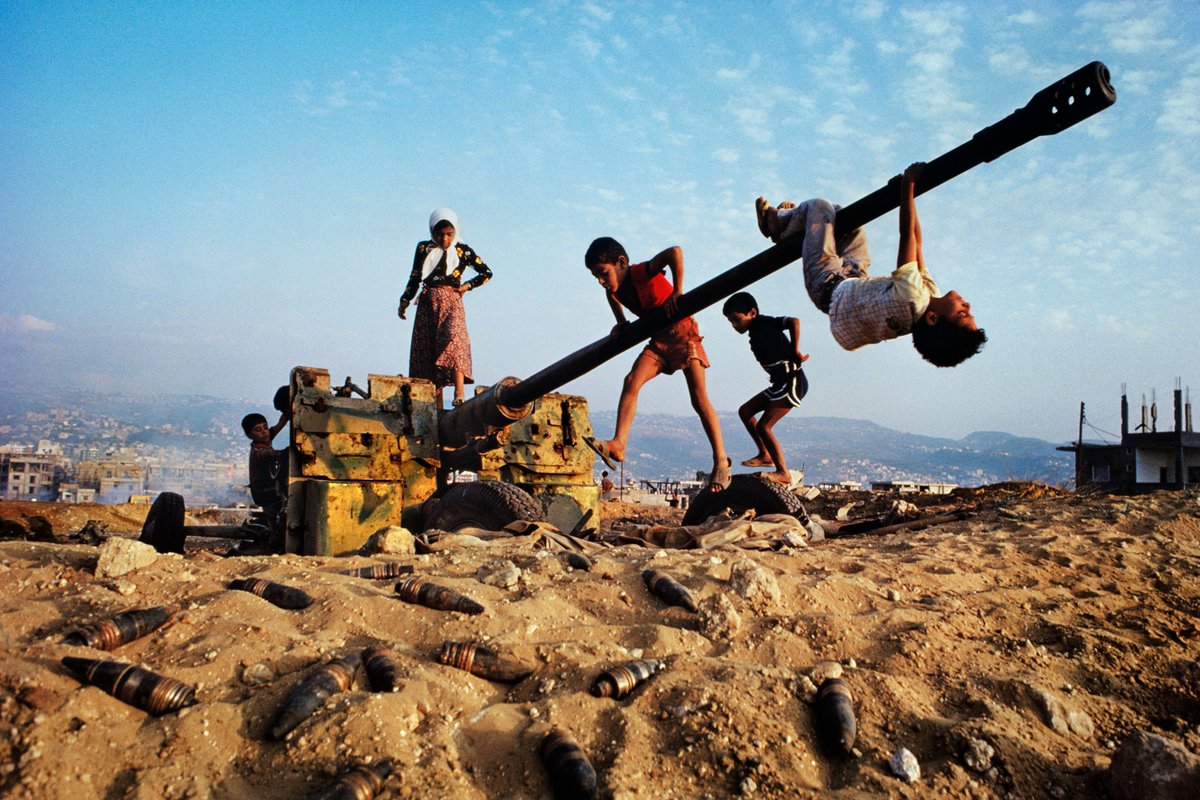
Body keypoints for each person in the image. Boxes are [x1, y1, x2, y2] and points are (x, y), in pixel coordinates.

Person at [754, 162, 987, 367]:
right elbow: (918, 243)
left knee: (820, 207)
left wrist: (908, 185)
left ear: (933, 318)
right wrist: (906, 194)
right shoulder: (929, 295)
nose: (967, 305)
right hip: (854, 278)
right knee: (846, 220)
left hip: (825, 283)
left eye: (962, 313)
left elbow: (908, 235)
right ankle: (791, 225)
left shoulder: (913, 296)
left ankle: (776, 222)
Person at [582, 237, 731, 492]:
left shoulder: (641, 272)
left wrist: (677, 291)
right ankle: (619, 444)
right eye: (596, 276)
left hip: (684, 336)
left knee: (699, 399)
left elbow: (675, 252)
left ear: (622, 263)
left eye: (603, 273)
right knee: (631, 381)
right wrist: (621, 322)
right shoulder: (614, 289)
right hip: (659, 341)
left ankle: (721, 460)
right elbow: (612, 295)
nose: (601, 281)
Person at [398, 208, 493, 407]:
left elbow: (486, 272)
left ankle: (459, 393)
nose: (445, 239)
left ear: (455, 231)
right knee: (430, 350)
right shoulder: (424, 248)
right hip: (428, 302)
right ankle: (437, 404)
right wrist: (405, 300)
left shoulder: (462, 250)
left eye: (449, 234)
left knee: (455, 341)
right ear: (432, 231)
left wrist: (467, 286)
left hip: (452, 301)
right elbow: (415, 276)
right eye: (440, 234)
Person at [722, 291, 808, 485]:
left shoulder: (764, 323)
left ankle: (783, 473)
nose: (735, 326)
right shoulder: (754, 332)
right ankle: (765, 454)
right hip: (778, 384)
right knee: (745, 411)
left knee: (764, 426)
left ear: (752, 313)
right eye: (731, 322)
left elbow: (794, 321)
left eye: (737, 320)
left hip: (791, 381)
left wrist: (794, 349)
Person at [240, 407, 289, 549]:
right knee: (275, 523)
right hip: (265, 493)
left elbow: (279, 425)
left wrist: (287, 413)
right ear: (249, 435)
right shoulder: (259, 451)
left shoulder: (265, 440)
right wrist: (289, 451)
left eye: (265, 427)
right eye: (258, 430)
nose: (264, 432)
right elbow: (275, 454)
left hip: (270, 491)